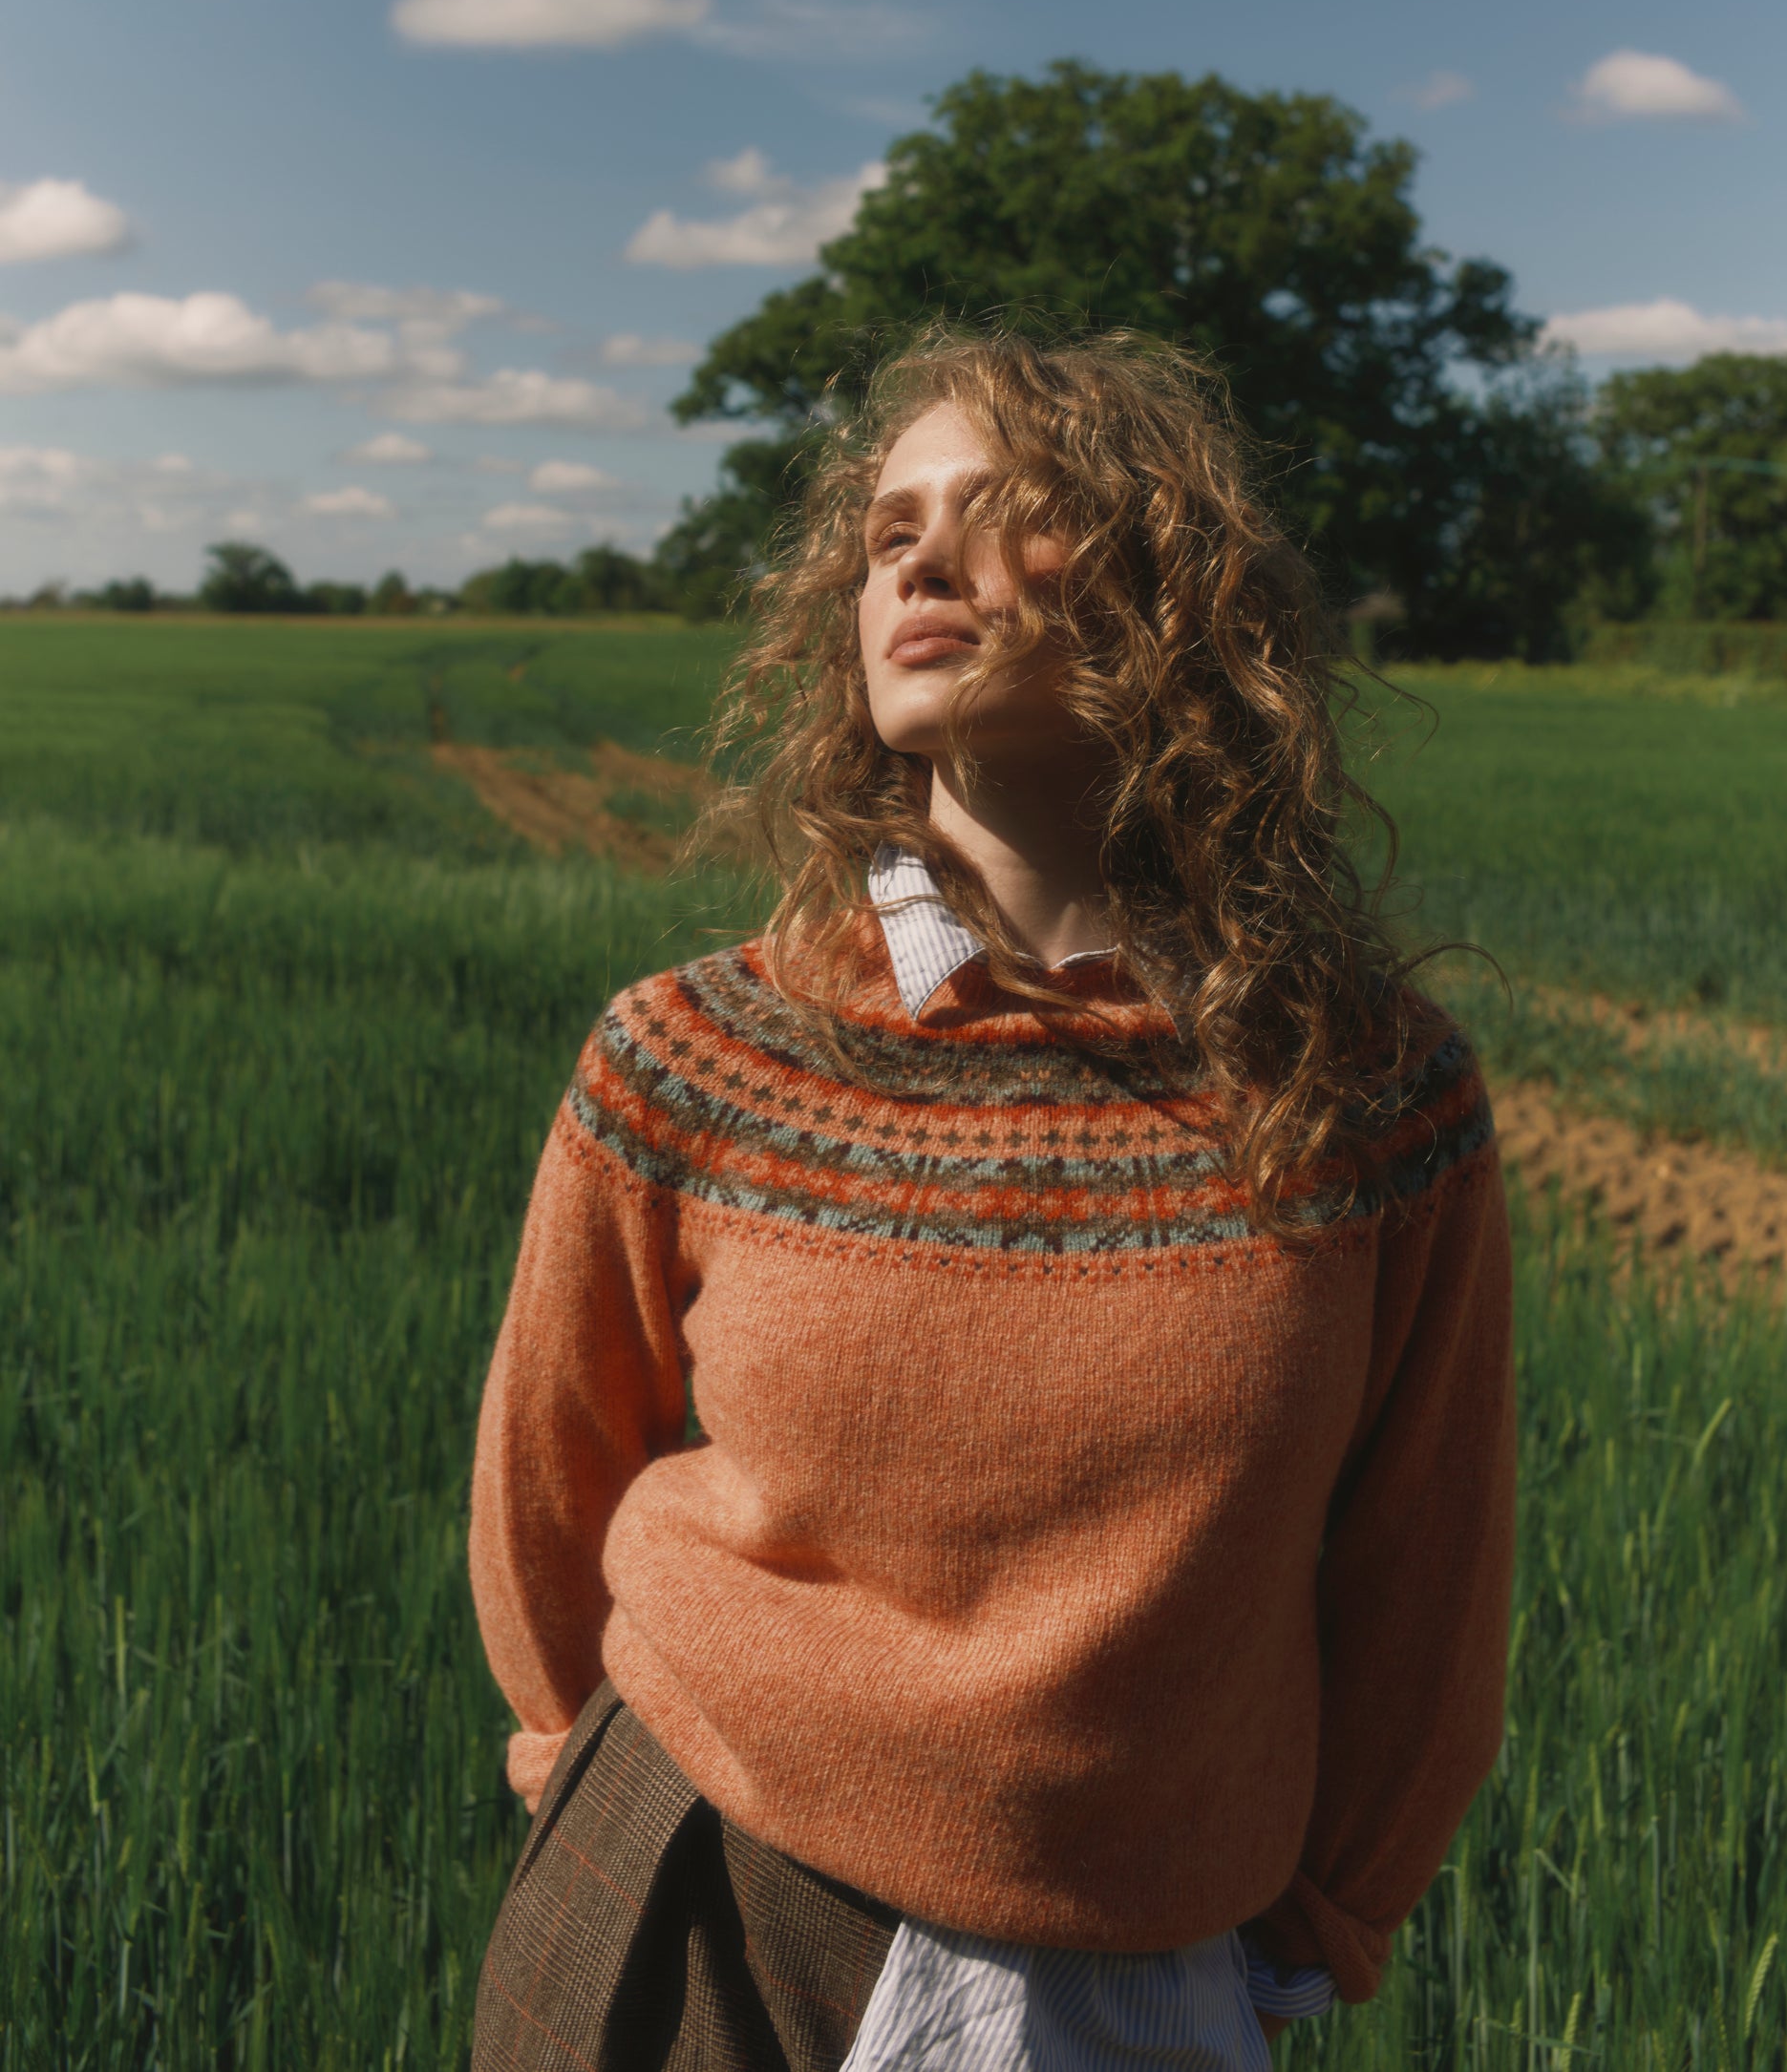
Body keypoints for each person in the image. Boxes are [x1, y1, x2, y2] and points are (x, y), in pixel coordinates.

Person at [468, 328, 1515, 2072]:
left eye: (1003, 511)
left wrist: (1315, 1919)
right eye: (888, 532)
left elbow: (1426, 1576)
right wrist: (572, 1777)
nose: (920, 564)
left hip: (1142, 1966)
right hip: (696, 1887)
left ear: (1173, 595)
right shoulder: (693, 1056)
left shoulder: (1367, 1098)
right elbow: (546, 1483)